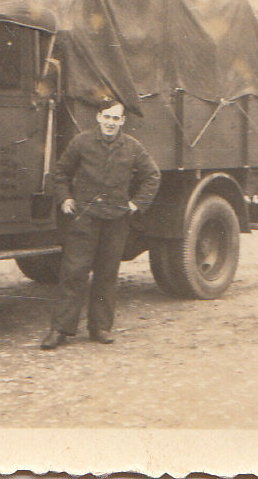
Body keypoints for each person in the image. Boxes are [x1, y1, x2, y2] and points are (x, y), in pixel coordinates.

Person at [40, 99, 160, 349]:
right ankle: (60, 329)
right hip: (84, 219)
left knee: (107, 275)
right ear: (98, 117)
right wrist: (65, 198)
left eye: (116, 118)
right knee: (74, 272)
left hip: (116, 221)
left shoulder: (132, 147)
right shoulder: (81, 142)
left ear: (122, 122)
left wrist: (136, 204)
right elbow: (60, 172)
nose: (110, 122)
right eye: (106, 117)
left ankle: (100, 327)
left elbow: (152, 175)